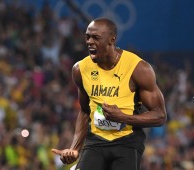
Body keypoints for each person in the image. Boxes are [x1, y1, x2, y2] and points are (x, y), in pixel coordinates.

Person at [52, 17, 167, 170]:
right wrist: (75, 148)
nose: (89, 42)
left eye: (96, 37)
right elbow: (85, 111)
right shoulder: (80, 69)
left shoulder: (138, 68)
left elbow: (160, 115)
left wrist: (123, 117)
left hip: (127, 142)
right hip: (96, 141)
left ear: (111, 40)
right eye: (87, 37)